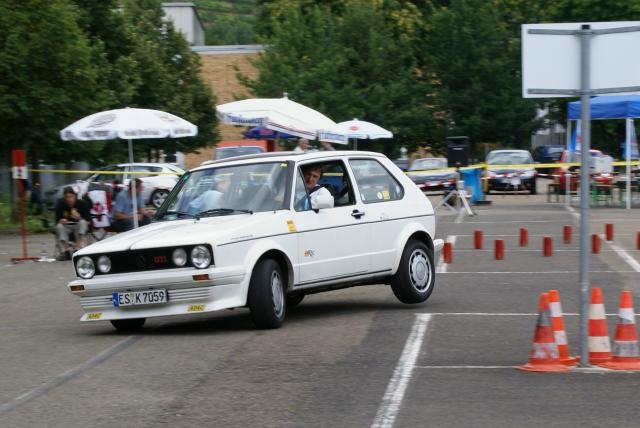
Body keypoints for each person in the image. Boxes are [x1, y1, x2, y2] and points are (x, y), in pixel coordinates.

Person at [55, 186, 90, 260]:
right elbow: (57, 221)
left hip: (78, 226)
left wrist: (79, 218)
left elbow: (88, 222)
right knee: (59, 226)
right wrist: (61, 221)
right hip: (66, 226)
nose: (69, 199)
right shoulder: (61, 204)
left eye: (71, 196)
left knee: (83, 222)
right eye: (66, 197)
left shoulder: (82, 204)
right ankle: (66, 251)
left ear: (75, 196)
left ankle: (77, 248)